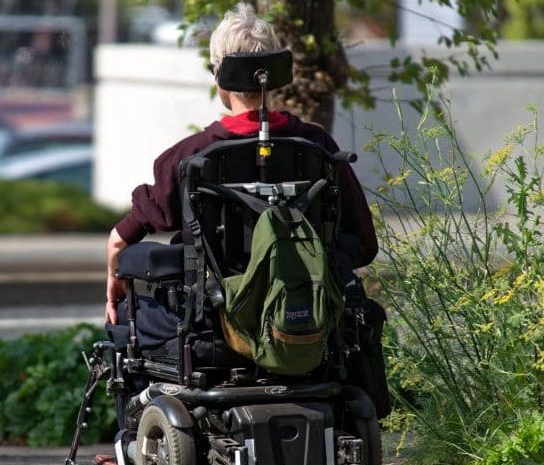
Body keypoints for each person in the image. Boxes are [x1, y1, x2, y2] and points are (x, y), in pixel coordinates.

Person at [103, 3, 377, 326]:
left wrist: (113, 282)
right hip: (307, 319)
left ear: (219, 74)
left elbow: (119, 241)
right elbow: (364, 243)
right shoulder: (317, 147)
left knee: (126, 315)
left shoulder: (191, 155)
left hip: (212, 323)